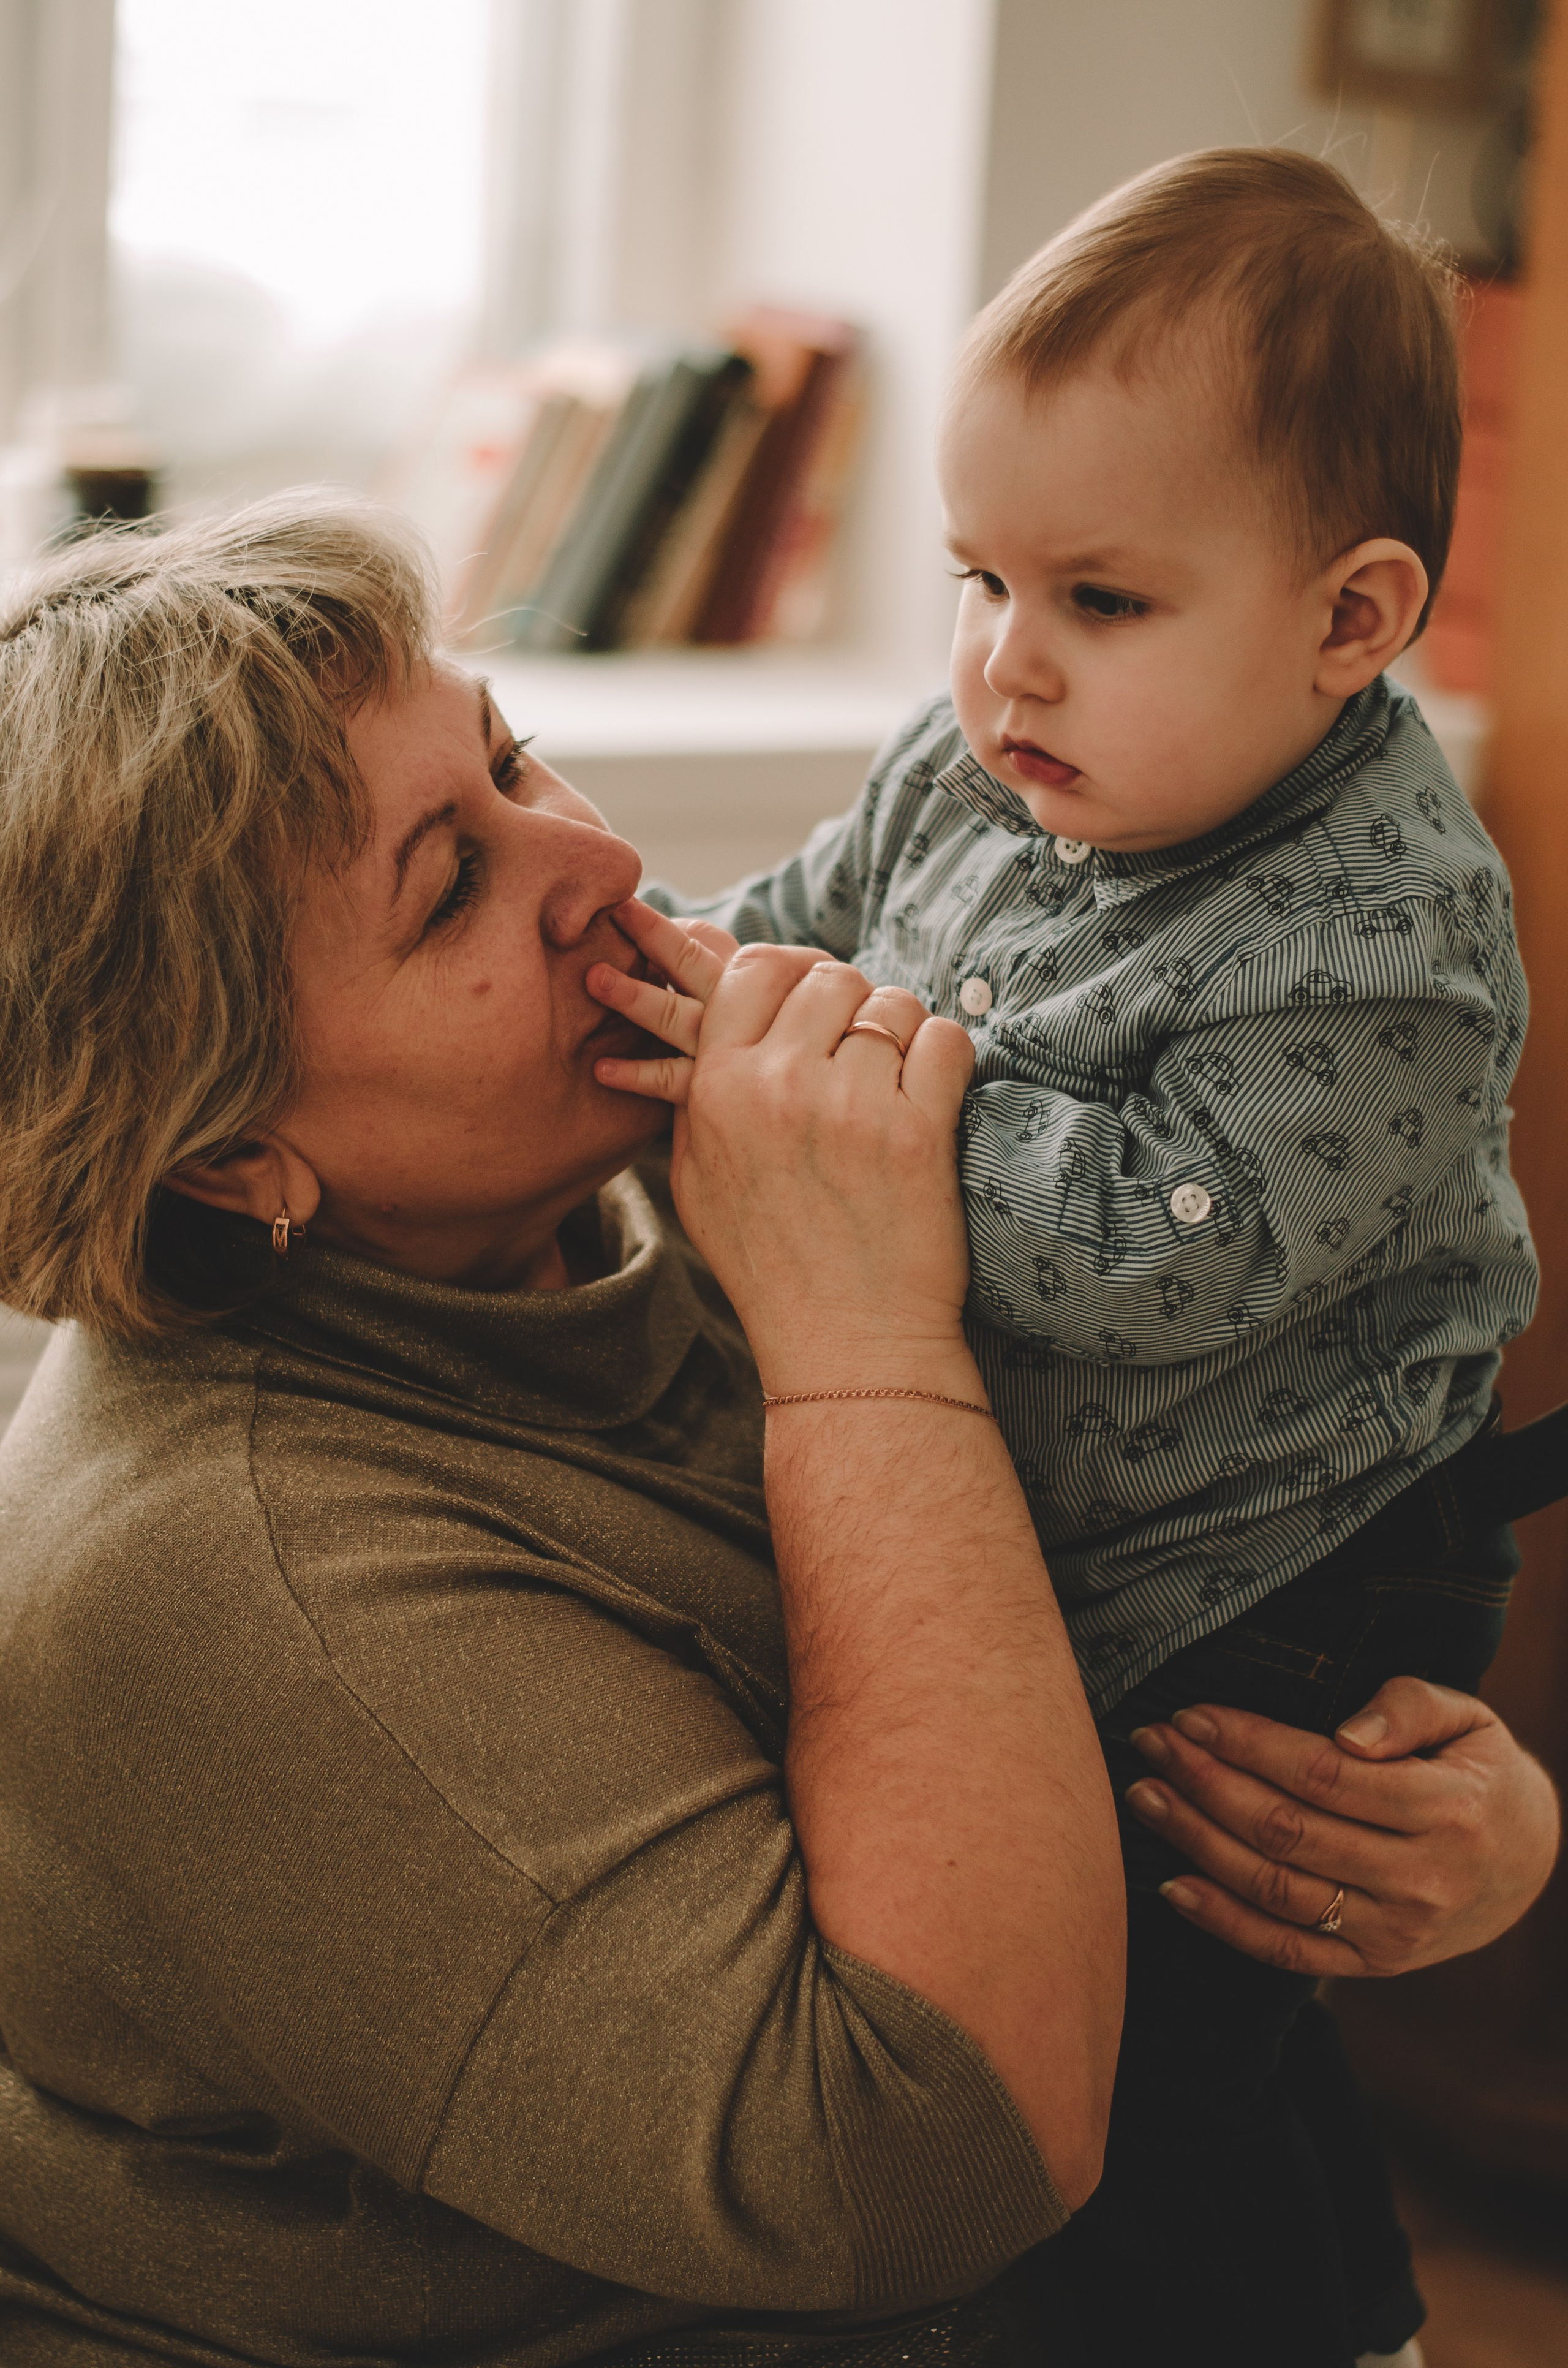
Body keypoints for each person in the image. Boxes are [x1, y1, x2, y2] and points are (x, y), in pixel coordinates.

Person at [0, 499, 1556, 2368]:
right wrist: (859, 1337)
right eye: (447, 884)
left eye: (510, 757)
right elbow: (929, 2149)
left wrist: (1426, 1808)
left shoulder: (614, 1195)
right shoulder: (230, 1587)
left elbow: (1093, 1591)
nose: (596, 853)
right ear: (234, 1150)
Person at [587, 150, 1552, 2364]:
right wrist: (674, 972)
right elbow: (810, 918)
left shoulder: (1382, 939)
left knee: (1124, 2076)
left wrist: (834, 1095)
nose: (1006, 661)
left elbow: (1150, 1255)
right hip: (1076, 1534)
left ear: (1353, 620)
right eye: (975, 576)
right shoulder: (985, 752)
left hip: (1281, 1570)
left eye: (1101, 601)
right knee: (1196, 2057)